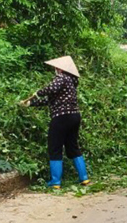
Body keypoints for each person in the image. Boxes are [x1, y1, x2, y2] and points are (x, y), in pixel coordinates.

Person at [21, 56, 90, 189]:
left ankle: (55, 181)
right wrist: (31, 103)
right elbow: (50, 100)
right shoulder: (71, 82)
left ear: (61, 69)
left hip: (61, 118)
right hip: (74, 116)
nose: (55, 69)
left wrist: (38, 92)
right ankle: (84, 178)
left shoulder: (62, 78)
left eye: (56, 67)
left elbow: (50, 89)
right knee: (72, 146)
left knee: (55, 147)